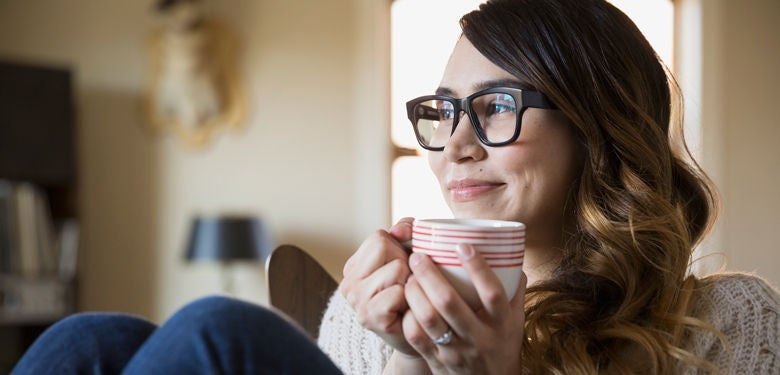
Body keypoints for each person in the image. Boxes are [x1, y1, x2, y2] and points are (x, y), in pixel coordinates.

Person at [12, 0, 780, 374]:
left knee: (219, 331)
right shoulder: (365, 313)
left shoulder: (726, 324)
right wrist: (395, 349)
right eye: (442, 111)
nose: (456, 143)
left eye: (497, 107)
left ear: (599, 127)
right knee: (90, 340)